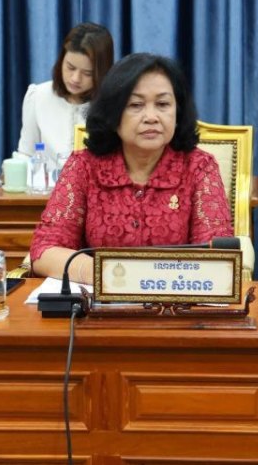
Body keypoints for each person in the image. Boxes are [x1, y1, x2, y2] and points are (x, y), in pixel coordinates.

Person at [29, 52, 234, 283]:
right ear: (113, 114)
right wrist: (106, 276)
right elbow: (44, 250)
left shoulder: (199, 167)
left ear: (178, 112)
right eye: (136, 105)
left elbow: (219, 257)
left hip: (173, 300)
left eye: (163, 104)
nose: (151, 117)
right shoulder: (84, 167)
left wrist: (151, 281)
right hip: (99, 299)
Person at [17, 22, 115, 163]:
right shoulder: (38, 96)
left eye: (87, 73)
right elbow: (26, 153)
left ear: (102, 72)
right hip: (46, 177)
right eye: (70, 67)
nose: (75, 79)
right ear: (61, 60)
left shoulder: (112, 106)